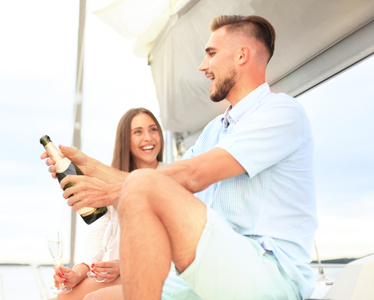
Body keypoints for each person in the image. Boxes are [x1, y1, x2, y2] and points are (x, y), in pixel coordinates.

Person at [43, 15, 318, 300]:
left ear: (241, 55)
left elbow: (188, 177)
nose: (202, 66)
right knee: (93, 299)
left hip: (270, 274)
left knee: (145, 187)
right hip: (208, 270)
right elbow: (160, 186)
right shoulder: (214, 131)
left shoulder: (281, 112)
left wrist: (108, 192)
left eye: (211, 53)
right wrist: (90, 166)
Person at [46, 108, 165, 300]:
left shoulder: (170, 177)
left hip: (155, 274)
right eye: (138, 132)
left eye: (153, 130)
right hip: (120, 273)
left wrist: (123, 266)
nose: (148, 137)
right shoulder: (109, 183)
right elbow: (99, 232)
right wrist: (78, 272)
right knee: (62, 298)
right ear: (125, 139)